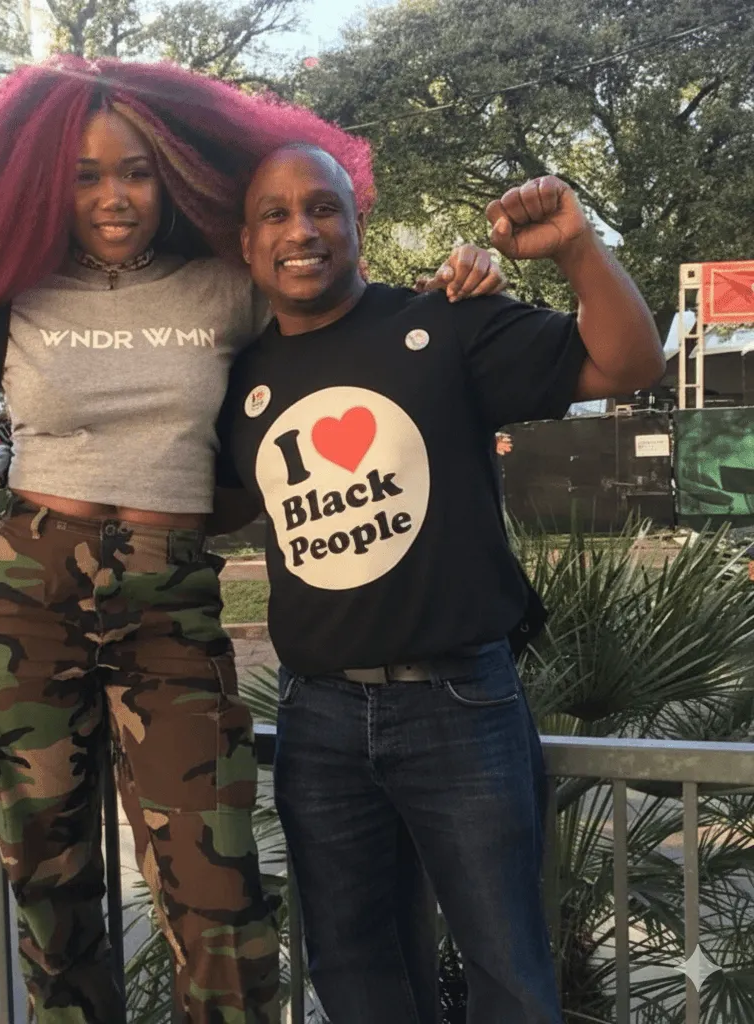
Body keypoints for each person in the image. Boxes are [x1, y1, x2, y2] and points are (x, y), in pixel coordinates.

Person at [0, 58, 506, 1024]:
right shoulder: (1, 296)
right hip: (23, 606)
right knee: (54, 888)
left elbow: (341, 313)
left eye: (135, 171)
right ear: (49, 182)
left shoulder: (224, 288)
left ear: (175, 174)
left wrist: (460, 286)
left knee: (218, 897)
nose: (114, 196)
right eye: (86, 174)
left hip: (171, 604)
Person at [215, 145, 665, 1024]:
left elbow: (630, 365)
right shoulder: (239, 384)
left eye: (322, 208)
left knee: (506, 972)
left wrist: (576, 247)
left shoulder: (444, 325)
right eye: (275, 213)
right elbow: (204, 505)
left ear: (357, 225)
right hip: (318, 719)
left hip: (460, 703)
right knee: (355, 969)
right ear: (245, 244)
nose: (300, 230)